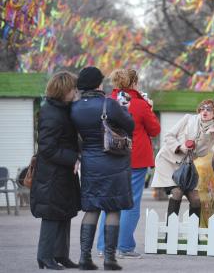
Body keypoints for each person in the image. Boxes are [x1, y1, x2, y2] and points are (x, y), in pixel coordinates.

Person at [71, 67, 134, 271]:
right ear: (99, 84)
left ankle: (84, 257)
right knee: (113, 208)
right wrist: (124, 108)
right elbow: (130, 125)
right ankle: (109, 259)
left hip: (89, 163)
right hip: (114, 161)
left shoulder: (75, 108)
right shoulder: (110, 104)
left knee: (92, 208)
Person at [96, 69, 160, 258]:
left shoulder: (106, 102)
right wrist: (149, 107)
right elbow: (155, 130)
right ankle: (124, 247)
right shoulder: (140, 104)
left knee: (109, 202)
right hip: (135, 159)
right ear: (133, 83)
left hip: (109, 157)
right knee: (130, 204)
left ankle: (103, 247)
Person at [30, 71, 81, 270]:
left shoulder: (61, 109)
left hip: (61, 173)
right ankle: (45, 256)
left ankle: (61, 255)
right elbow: (47, 147)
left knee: (64, 213)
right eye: (73, 89)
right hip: (52, 174)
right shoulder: (51, 113)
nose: (75, 92)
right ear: (63, 90)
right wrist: (73, 158)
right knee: (52, 216)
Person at [151, 99, 214, 221]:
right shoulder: (188, 119)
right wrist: (180, 147)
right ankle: (170, 234)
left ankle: (193, 236)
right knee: (177, 193)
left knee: (195, 199)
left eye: (209, 109)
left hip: (185, 165)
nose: (205, 111)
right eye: (202, 108)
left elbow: (201, 153)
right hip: (167, 160)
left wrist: (207, 137)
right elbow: (168, 136)